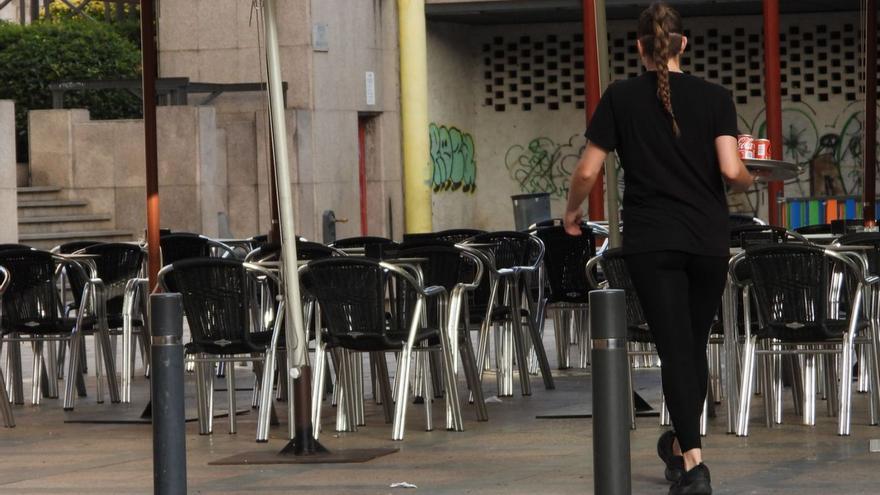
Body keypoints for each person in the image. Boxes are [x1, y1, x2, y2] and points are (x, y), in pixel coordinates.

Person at [563, 2, 758, 494]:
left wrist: (571, 213)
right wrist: (754, 174)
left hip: (652, 243)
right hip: (708, 241)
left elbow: (587, 170)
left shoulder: (620, 97)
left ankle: (693, 465)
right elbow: (733, 173)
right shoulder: (715, 97)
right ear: (683, 45)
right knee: (690, 347)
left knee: (676, 350)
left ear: (639, 49)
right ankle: (681, 449)